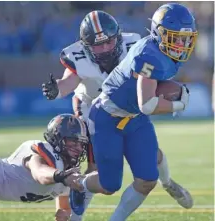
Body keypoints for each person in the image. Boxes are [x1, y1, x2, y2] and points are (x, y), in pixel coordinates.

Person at [70, 3, 198, 220]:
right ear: (159, 33)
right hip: (107, 116)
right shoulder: (148, 55)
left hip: (133, 117)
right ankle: (78, 185)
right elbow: (146, 104)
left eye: (183, 39)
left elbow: (151, 92)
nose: (180, 44)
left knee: (147, 179)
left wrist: (175, 90)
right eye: (174, 37)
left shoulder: (166, 52)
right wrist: (179, 105)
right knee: (109, 185)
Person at [42, 10, 141, 220]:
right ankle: (74, 210)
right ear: (85, 46)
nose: (105, 49)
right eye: (97, 45)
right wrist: (56, 89)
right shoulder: (78, 56)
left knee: (151, 156)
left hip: (121, 108)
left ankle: (168, 182)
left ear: (118, 37)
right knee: (96, 168)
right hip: (90, 108)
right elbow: (68, 82)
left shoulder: (133, 47)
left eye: (108, 42)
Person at [0, 113, 88, 221]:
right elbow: (39, 172)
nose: (79, 148)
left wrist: (64, 214)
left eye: (81, 144)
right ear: (58, 138)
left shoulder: (66, 171)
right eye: (74, 142)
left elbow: (64, 209)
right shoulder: (43, 153)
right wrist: (61, 176)